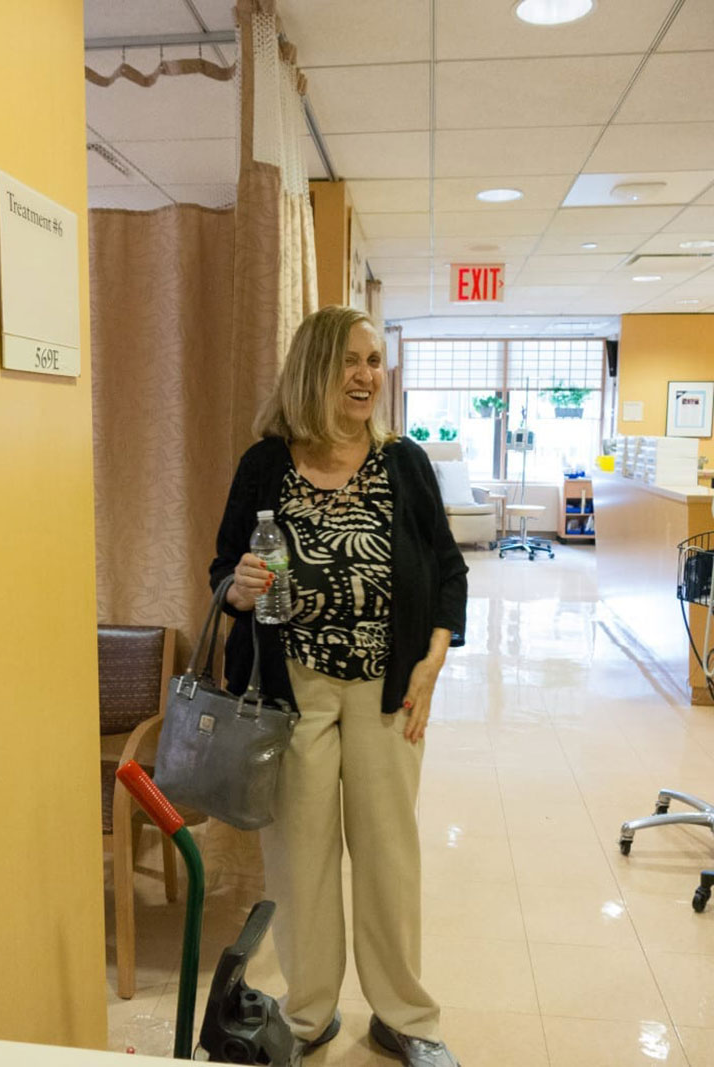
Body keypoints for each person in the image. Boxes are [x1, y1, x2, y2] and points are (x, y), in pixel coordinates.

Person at [210, 305, 468, 1067]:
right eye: (350, 361)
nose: (366, 377)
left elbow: (448, 569)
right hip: (294, 693)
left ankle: (404, 1014)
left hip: (390, 691)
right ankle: (311, 1009)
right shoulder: (266, 463)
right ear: (315, 369)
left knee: (390, 854)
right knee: (301, 857)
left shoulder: (404, 463)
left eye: (374, 361)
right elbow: (223, 569)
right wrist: (241, 588)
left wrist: (435, 657)